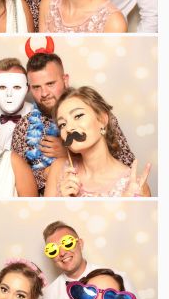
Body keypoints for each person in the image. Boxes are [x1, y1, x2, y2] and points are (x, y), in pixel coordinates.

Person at [11, 50, 134, 193]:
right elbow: (15, 179)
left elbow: (128, 164)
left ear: (65, 80)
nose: (44, 93)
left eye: (50, 84)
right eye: (36, 87)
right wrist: (48, 174)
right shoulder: (24, 126)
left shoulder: (96, 115)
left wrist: (72, 151)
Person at [44, 86, 151, 197]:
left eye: (78, 116)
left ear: (102, 119)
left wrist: (127, 204)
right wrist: (62, 201)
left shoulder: (135, 185)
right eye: (62, 124)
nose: (69, 128)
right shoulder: (58, 169)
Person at [0, 58, 32, 151]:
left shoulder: (37, 115)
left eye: (16, 87)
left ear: (28, 88)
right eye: (2, 87)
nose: (9, 94)